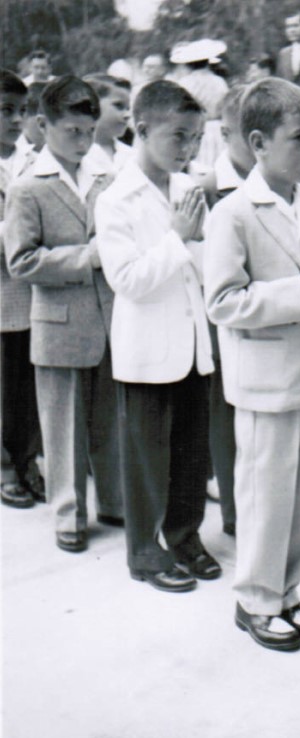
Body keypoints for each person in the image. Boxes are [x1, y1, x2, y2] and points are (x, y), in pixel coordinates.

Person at [204, 77, 300, 651]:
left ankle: (287, 590)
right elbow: (223, 301)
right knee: (265, 494)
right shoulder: (233, 213)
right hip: (264, 380)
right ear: (257, 143)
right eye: (297, 139)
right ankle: (256, 598)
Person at [94, 80, 220, 592]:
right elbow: (127, 280)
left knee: (192, 451)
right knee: (147, 455)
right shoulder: (115, 199)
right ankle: (144, 552)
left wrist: (196, 245)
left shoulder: (187, 189)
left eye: (195, 138)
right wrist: (178, 239)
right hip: (146, 347)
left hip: (190, 342)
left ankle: (185, 535)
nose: (188, 149)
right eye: (178, 136)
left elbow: (204, 265)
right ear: (142, 130)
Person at [5, 76, 124, 548]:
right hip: (58, 323)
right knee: (62, 427)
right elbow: (21, 261)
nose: (82, 141)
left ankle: (114, 501)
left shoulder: (106, 178)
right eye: (72, 131)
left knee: (109, 420)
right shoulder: (27, 187)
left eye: (89, 132)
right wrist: (86, 258)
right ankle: (69, 516)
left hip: (109, 319)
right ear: (43, 125)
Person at [198, 84, 255, 538]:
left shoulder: (279, 180)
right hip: (222, 314)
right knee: (225, 410)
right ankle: (234, 510)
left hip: (263, 316)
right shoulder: (206, 187)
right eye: (246, 135)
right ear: (225, 133)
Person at [0, 70, 44, 509]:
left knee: (29, 386)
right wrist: (20, 233)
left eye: (22, 111)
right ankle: (4, 467)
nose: (16, 120)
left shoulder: (33, 160)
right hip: (1, 291)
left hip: (34, 291)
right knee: (2, 386)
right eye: (6, 111)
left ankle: (28, 460)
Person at [171, 39, 229, 167]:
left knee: (198, 165)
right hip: (216, 130)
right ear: (208, 62)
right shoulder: (220, 82)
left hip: (195, 129)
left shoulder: (185, 83)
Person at [83, 74, 133, 174]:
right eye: (118, 106)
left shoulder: (131, 155)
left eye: (128, 108)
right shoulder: (75, 154)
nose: (127, 115)